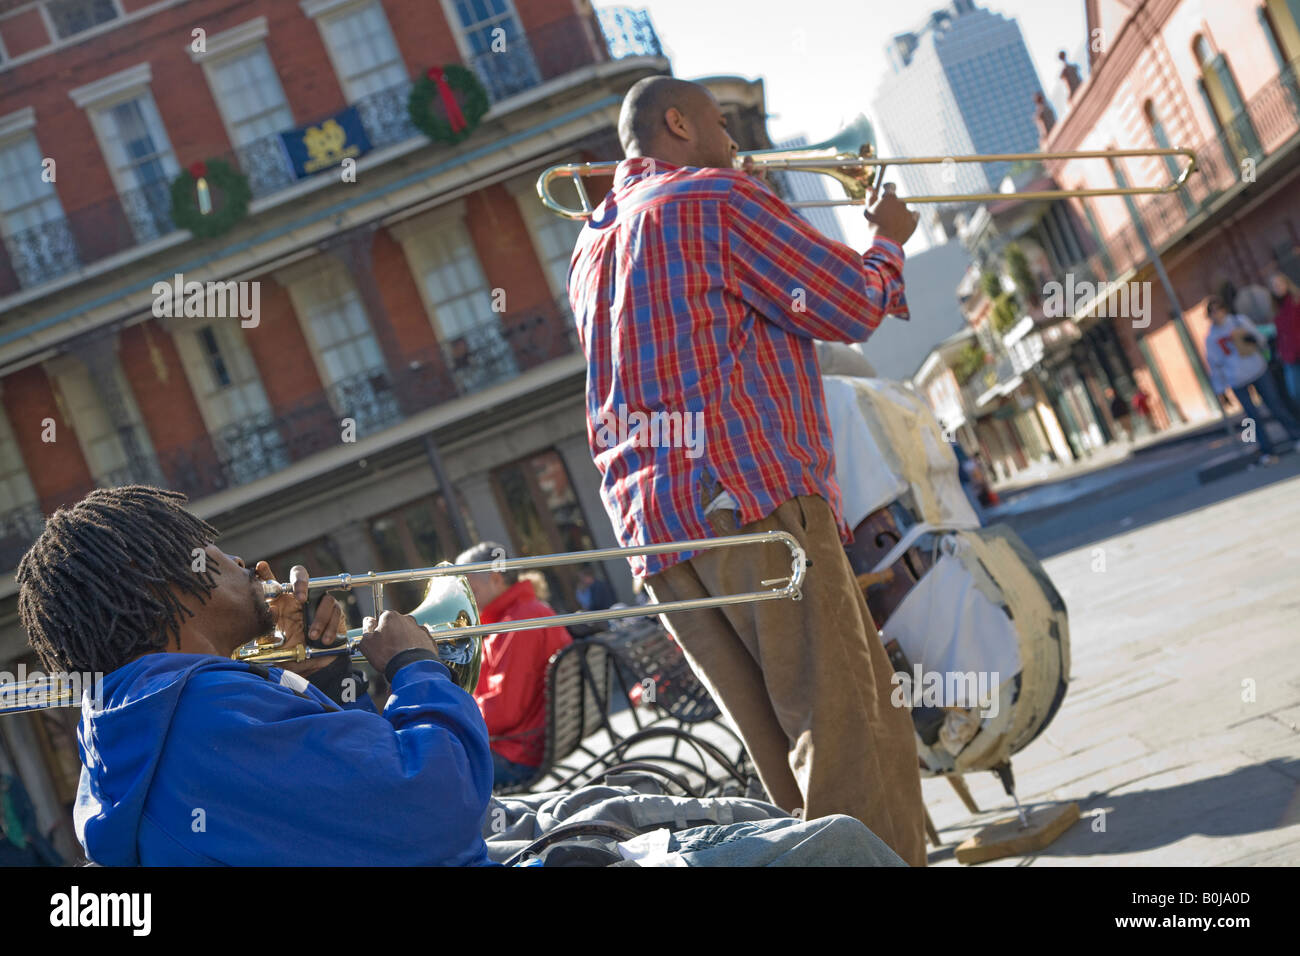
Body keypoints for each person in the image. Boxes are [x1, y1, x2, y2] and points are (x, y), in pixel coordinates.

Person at [567, 75, 927, 865]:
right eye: (721, 124)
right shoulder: (715, 199)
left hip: (658, 537)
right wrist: (889, 239)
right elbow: (847, 303)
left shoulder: (590, 242)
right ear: (678, 122)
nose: (736, 142)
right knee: (848, 733)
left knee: (785, 756)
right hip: (753, 503)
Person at [16, 486, 495, 865]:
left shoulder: (144, 723)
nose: (241, 563)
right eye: (211, 552)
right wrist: (416, 669)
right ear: (158, 581)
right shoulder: (208, 711)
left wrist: (327, 684)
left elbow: (345, 829)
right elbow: (438, 807)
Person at [455, 542, 572, 788]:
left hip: (518, 753)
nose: (465, 601)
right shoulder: (530, 612)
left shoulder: (515, 624)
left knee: (435, 777)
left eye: (470, 591)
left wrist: (455, 714)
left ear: (496, 580)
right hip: (533, 743)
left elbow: (503, 712)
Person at [1204, 295, 1300, 465]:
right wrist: (1221, 391)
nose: (1216, 314)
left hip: (1257, 369)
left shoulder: (1239, 322)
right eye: (1212, 312)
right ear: (1209, 316)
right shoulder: (1211, 338)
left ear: (1224, 309)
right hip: (1236, 379)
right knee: (1251, 417)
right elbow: (1215, 365)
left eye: (1218, 309)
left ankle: (1296, 436)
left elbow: (1261, 339)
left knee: (1275, 405)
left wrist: (1252, 339)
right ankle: (1266, 450)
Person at [1269, 268, 1300, 406]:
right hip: (1289, 355)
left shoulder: (1296, 301)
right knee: (1294, 392)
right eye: (1274, 286)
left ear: (1286, 284)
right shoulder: (1275, 309)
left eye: (1279, 284)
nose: (1278, 288)